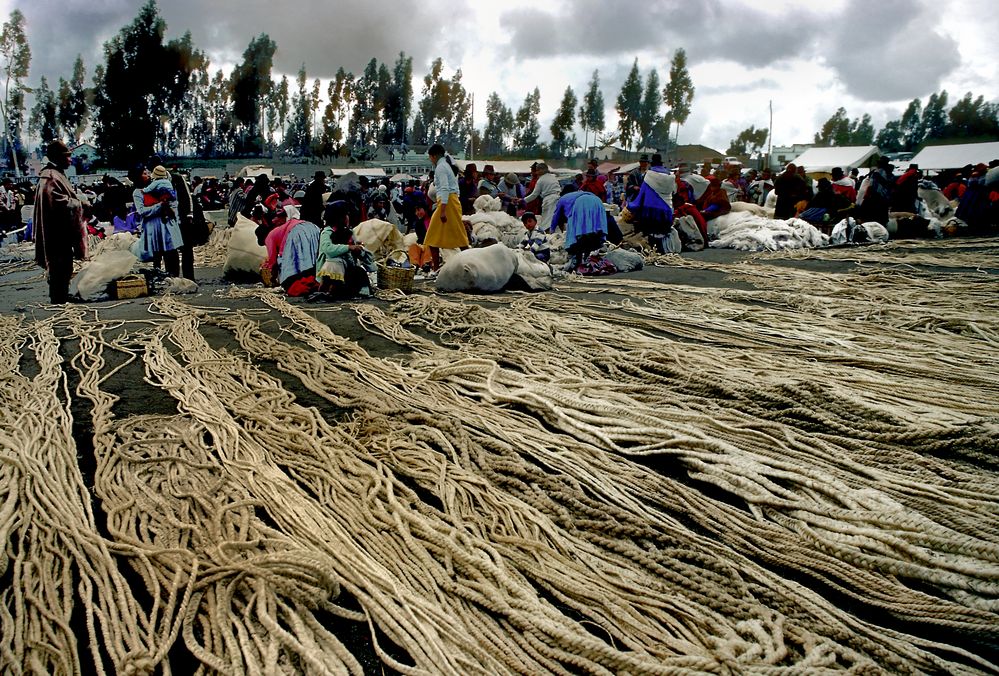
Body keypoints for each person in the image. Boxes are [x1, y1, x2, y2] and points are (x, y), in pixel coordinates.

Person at [33, 140, 85, 303]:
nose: (70, 160)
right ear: (59, 157)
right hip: (55, 231)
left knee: (65, 264)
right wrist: (79, 204)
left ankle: (61, 293)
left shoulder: (56, 174)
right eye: (67, 156)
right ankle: (58, 297)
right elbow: (57, 203)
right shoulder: (50, 176)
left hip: (60, 230)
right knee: (59, 264)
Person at [148, 154, 196, 280]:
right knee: (170, 251)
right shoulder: (152, 183)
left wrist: (189, 214)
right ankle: (173, 276)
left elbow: (187, 197)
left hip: (181, 218)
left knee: (186, 250)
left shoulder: (177, 178)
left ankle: (189, 278)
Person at [424, 143, 469, 271]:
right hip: (450, 202)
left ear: (433, 156)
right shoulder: (446, 166)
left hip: (447, 203)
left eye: (430, 157)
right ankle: (437, 268)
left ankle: (437, 268)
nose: (430, 159)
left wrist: (442, 210)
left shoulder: (441, 168)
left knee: (433, 237)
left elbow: (444, 188)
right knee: (457, 237)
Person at [133, 165, 184, 277]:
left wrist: (172, 210)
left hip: (167, 223)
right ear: (138, 177)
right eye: (144, 173)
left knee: (171, 253)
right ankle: (160, 278)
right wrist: (160, 205)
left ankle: (174, 277)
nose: (148, 175)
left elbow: (173, 202)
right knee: (157, 255)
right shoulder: (138, 192)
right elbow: (142, 211)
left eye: (148, 173)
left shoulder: (160, 187)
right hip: (153, 227)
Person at [261, 204, 321, 295]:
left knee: (296, 266)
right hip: (313, 228)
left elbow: (272, 261)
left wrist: (272, 277)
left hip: (298, 232)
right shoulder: (290, 225)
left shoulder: (271, 236)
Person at [315, 200, 368, 298]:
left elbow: (353, 252)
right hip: (329, 269)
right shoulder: (327, 232)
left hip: (345, 267)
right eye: (345, 215)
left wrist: (358, 249)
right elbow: (328, 250)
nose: (348, 218)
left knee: (359, 272)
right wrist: (349, 247)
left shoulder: (348, 232)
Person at [626, 153, 676, 253]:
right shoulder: (670, 175)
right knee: (663, 231)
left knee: (650, 231)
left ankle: (653, 249)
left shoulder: (649, 175)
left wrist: (631, 205)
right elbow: (674, 191)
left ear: (650, 163)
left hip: (651, 212)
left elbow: (642, 193)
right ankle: (664, 248)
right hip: (667, 210)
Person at [552, 187, 607, 269]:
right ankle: (589, 258)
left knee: (578, 235)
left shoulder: (562, 198)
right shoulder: (582, 193)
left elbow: (556, 216)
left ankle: (580, 261)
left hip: (581, 203)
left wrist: (552, 230)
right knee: (593, 231)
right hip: (597, 201)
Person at [522, 162, 561, 233]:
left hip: (548, 200)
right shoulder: (553, 177)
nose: (536, 172)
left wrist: (523, 200)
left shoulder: (540, 180)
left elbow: (534, 195)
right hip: (557, 199)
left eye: (537, 170)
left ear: (541, 170)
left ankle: (547, 235)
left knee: (547, 221)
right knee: (553, 219)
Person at [858, 156, 893, 225]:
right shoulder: (890, 174)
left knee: (871, 218)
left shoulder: (876, 173)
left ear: (880, 164)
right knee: (882, 220)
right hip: (884, 200)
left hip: (875, 198)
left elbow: (871, 186)